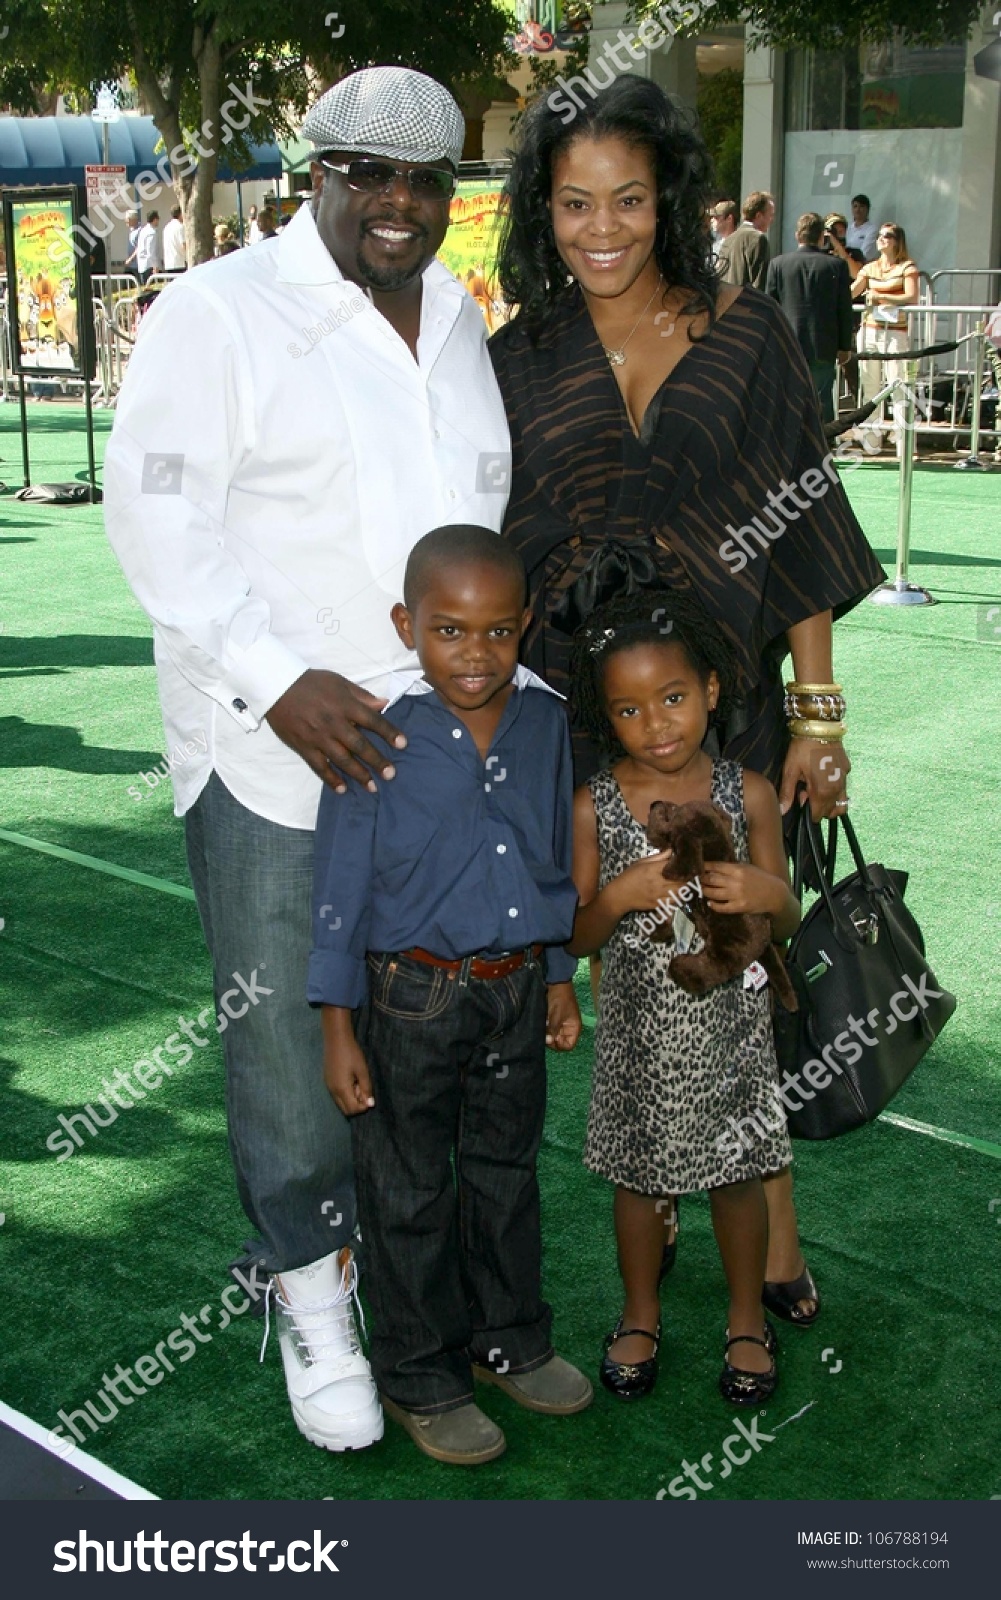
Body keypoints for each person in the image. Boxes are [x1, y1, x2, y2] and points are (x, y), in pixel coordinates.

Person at [103, 65, 510, 1454]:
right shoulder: (218, 313)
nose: (398, 204)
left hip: (433, 768)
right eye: (365, 173)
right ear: (314, 173)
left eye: (425, 181)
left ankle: (406, 1291)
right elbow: (157, 523)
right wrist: (280, 686)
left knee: (411, 1038)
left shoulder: (458, 318)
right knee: (286, 1037)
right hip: (277, 756)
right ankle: (307, 1293)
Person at [490, 74, 886, 1324]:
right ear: (538, 210)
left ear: (666, 201)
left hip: (729, 717)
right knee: (642, 970)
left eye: (625, 199)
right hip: (589, 729)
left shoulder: (745, 331)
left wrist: (816, 719)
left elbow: (804, 519)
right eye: (570, 203)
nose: (598, 228)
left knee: (744, 955)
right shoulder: (516, 355)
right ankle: (657, 1197)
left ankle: (769, 1227)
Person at [311, 524, 589, 1465]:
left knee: (506, 1177)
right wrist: (336, 1027)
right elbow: (340, 887)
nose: (476, 655)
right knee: (408, 1190)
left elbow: (551, 859)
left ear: (525, 627)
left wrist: (556, 980)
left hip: (513, 992)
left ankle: (508, 1339)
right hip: (407, 1003)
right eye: (449, 631)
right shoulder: (375, 729)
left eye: (498, 632)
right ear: (407, 625)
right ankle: (420, 1375)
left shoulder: (547, 721)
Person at [567, 588, 800, 1405]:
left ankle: (745, 1318)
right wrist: (620, 897)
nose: (656, 723)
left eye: (671, 698)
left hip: (733, 1034)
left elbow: (792, 912)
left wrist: (765, 891)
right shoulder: (592, 805)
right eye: (629, 710)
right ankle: (639, 1311)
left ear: (708, 689)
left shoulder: (752, 792)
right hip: (639, 1038)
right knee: (638, 1183)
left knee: (738, 1177)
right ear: (606, 719)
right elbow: (574, 935)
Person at [765, 211, 854, 422]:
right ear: (822, 237)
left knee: (789, 399)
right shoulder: (836, 265)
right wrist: (845, 346)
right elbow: (844, 309)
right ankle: (823, 447)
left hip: (788, 344)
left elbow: (771, 308)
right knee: (822, 401)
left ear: (798, 236)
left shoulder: (778, 265)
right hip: (823, 343)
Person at [852, 222, 920, 454]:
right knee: (870, 385)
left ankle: (904, 443)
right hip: (870, 330)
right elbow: (853, 291)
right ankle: (872, 441)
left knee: (898, 385)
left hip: (895, 333)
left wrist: (880, 295)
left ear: (897, 241)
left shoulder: (907, 267)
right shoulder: (869, 268)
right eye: (880, 235)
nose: (882, 239)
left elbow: (911, 296)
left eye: (887, 236)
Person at [716, 189, 774, 290]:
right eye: (770, 215)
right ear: (759, 216)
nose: (771, 219)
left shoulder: (729, 239)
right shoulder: (758, 239)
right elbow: (759, 283)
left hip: (727, 302)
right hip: (747, 303)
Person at [823, 212, 863, 281]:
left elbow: (857, 275)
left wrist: (841, 251)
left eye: (841, 231)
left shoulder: (855, 253)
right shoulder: (821, 255)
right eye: (834, 231)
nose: (838, 234)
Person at [846, 194, 879, 263]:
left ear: (868, 209)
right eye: (855, 206)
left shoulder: (872, 229)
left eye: (861, 206)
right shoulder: (848, 227)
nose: (858, 210)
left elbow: (864, 255)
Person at [135, 210, 161, 282]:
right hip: (149, 266)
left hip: (142, 265)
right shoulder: (152, 232)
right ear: (155, 219)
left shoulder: (143, 231)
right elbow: (151, 251)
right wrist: (155, 266)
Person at [162, 205, 187, 272]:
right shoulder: (180, 227)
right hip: (179, 263)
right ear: (180, 214)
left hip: (168, 263)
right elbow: (183, 245)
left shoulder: (166, 228)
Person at [123, 209, 142, 281]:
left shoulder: (140, 231)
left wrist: (130, 259)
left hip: (136, 265)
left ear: (134, 219)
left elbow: (139, 247)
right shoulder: (132, 230)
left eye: (128, 219)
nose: (126, 221)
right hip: (130, 265)